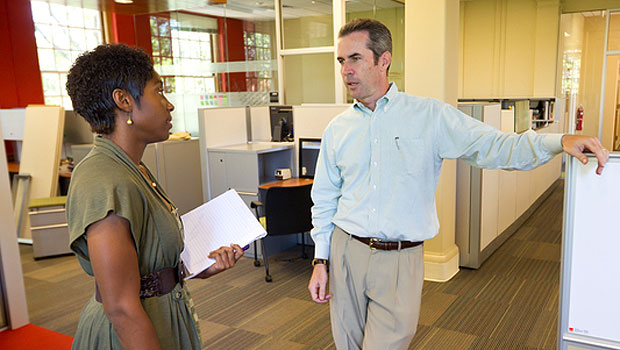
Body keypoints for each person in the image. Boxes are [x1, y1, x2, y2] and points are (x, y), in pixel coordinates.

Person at [307, 18, 609, 350]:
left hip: (399, 259)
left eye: (355, 58)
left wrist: (558, 141)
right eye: (341, 61)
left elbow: (496, 146)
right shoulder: (338, 129)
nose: (345, 70)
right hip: (346, 251)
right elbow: (324, 198)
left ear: (384, 60)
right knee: (346, 344)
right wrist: (321, 261)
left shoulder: (429, 116)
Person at [65, 44, 243, 350]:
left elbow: (146, 264)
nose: (169, 104)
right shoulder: (103, 178)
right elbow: (120, 307)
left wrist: (199, 268)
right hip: (130, 334)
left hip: (162, 316)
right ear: (123, 101)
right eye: (158, 91)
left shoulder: (133, 167)